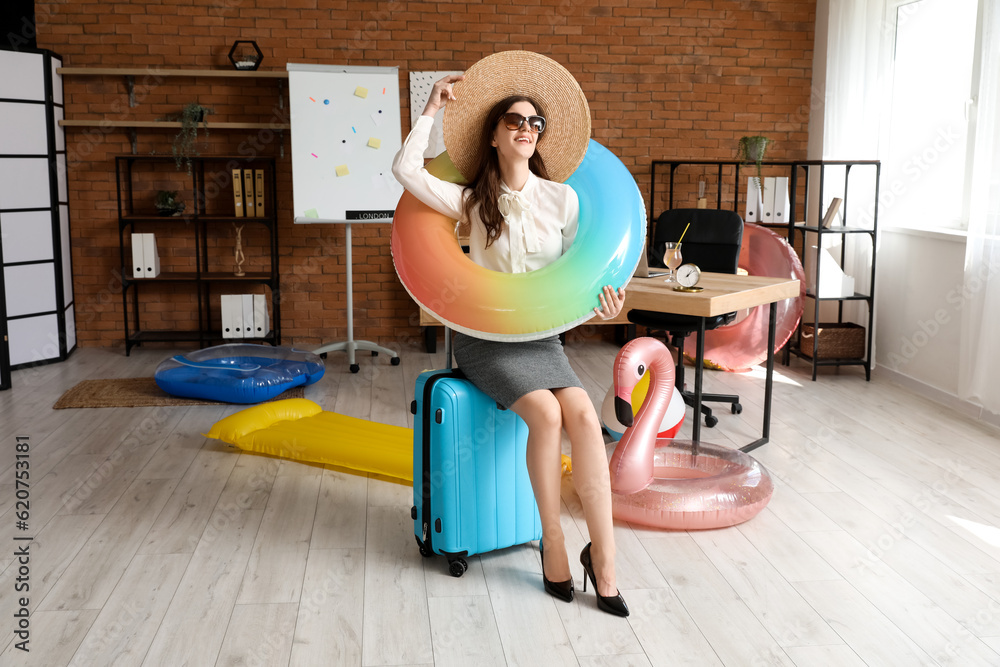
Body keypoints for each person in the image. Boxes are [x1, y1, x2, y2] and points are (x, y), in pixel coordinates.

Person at [392, 54, 629, 617]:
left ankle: (607, 554)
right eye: (516, 122)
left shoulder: (562, 199)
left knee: (581, 417)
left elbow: (577, 284)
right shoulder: (472, 202)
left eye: (535, 124)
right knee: (546, 416)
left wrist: (601, 309)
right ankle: (553, 542)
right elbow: (406, 173)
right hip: (484, 338)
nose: (527, 130)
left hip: (541, 341)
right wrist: (429, 109)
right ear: (495, 136)